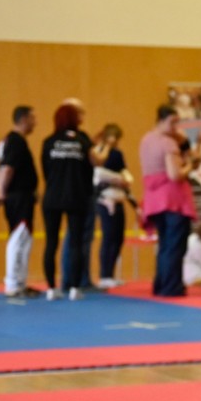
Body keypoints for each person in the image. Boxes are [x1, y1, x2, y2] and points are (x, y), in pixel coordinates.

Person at [139, 106, 197, 297]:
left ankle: (161, 284)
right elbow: (175, 174)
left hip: (154, 199)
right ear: (161, 120)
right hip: (173, 200)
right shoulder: (168, 143)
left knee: (165, 245)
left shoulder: (146, 140)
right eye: (172, 122)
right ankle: (171, 286)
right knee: (175, 245)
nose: (175, 127)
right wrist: (190, 166)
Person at [39, 102, 94, 300]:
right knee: (76, 243)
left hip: (52, 196)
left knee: (51, 243)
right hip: (76, 196)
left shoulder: (49, 142)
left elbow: (45, 169)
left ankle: (51, 288)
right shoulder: (82, 141)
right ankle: (75, 288)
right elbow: (89, 169)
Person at [0, 105, 40, 297]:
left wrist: (0, 191)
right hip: (19, 196)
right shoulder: (15, 141)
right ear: (23, 119)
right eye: (33, 118)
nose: (36, 123)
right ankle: (12, 283)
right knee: (19, 237)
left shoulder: (8, 141)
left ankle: (19, 282)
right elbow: (6, 169)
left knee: (24, 238)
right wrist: (1, 192)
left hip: (21, 195)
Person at [93, 123, 132, 288]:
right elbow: (97, 174)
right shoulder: (97, 152)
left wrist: (126, 180)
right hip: (105, 199)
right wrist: (117, 179)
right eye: (112, 137)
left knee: (118, 237)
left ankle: (111, 273)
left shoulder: (117, 154)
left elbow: (125, 173)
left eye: (117, 138)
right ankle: (104, 274)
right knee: (108, 236)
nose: (114, 141)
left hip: (118, 197)